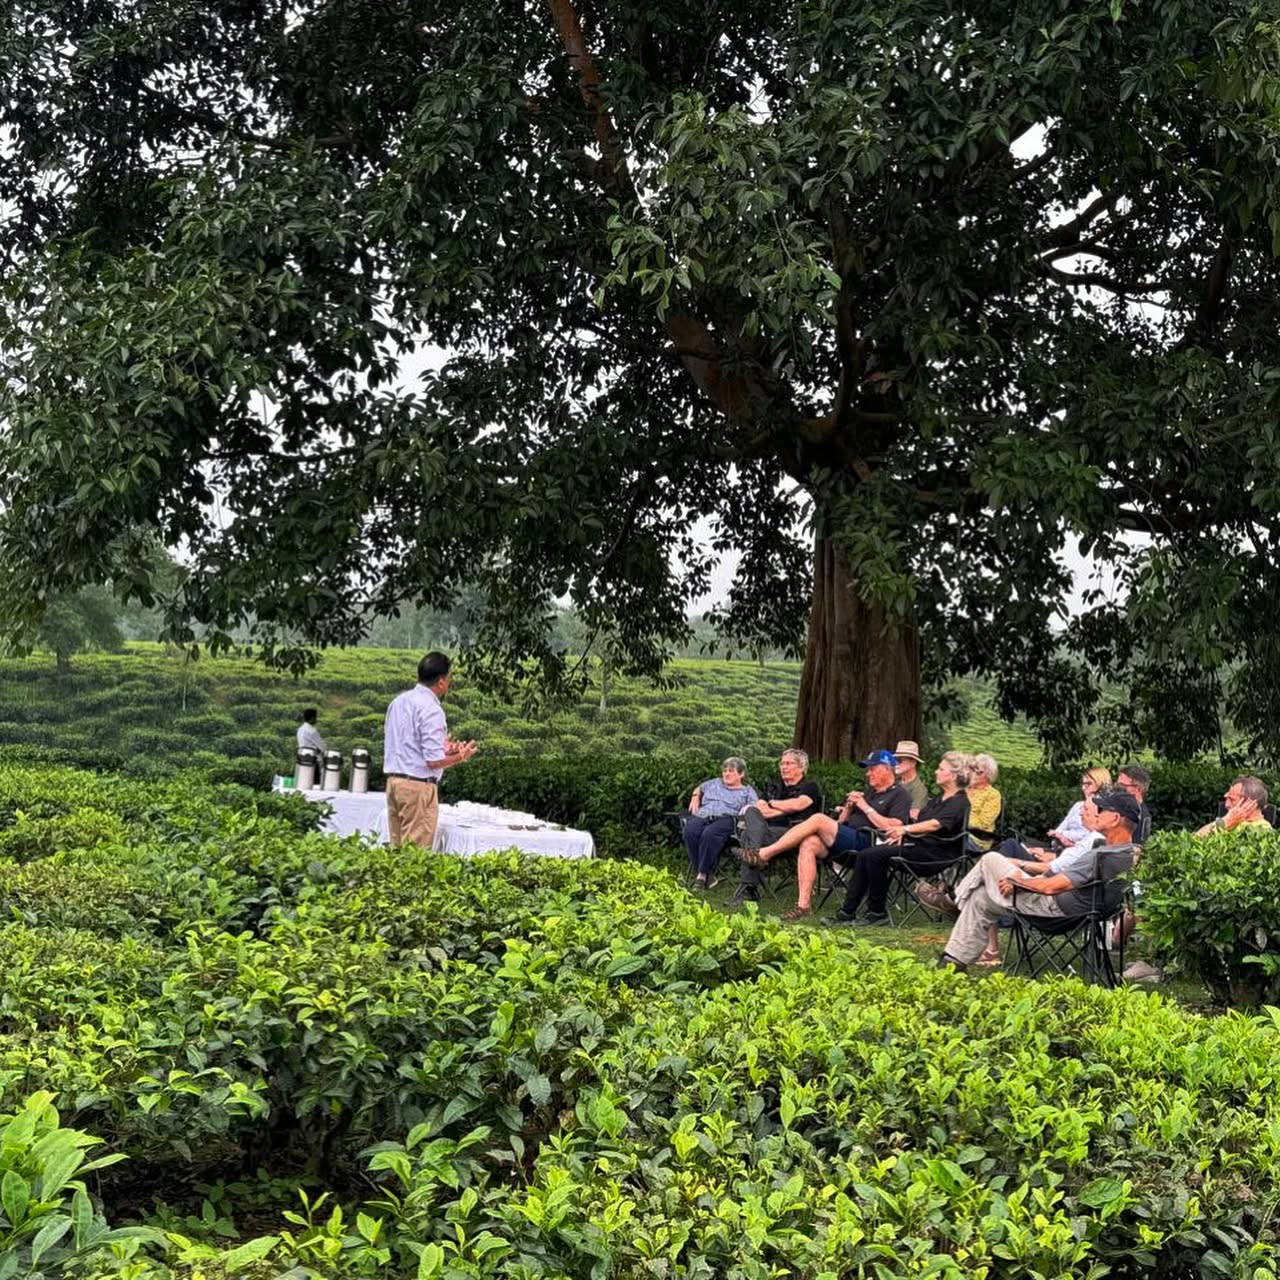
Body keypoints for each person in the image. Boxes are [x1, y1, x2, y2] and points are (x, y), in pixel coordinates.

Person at [930, 786, 1141, 971]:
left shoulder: (1101, 855)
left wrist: (1018, 882)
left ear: (1115, 819)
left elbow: (1050, 887)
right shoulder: (1130, 852)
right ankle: (954, 961)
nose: (1097, 813)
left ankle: (954, 900)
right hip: (1082, 913)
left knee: (991, 858)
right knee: (981, 897)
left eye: (1102, 810)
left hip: (1052, 911)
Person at [737, 750, 911, 920]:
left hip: (871, 844)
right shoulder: (870, 793)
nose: (868, 773)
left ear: (887, 769)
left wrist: (865, 806)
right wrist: (849, 808)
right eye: (868, 769)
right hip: (849, 842)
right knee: (809, 842)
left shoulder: (899, 795)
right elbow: (842, 822)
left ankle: (764, 854)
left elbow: (894, 826)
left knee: (819, 819)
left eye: (872, 769)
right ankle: (803, 906)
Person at [824, 750, 972, 927]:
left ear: (954, 775)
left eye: (941, 769)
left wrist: (904, 829)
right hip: (917, 846)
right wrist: (902, 834)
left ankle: (877, 913)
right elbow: (920, 823)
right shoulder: (938, 800)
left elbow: (934, 825)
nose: (935, 772)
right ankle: (847, 913)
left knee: (874, 855)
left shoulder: (959, 801)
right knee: (867, 854)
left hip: (936, 854)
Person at [383, 651, 477, 848]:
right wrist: (461, 755)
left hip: (395, 783)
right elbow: (433, 761)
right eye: (449, 678)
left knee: (397, 851)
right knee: (415, 855)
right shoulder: (431, 709)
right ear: (441, 682)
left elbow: (409, 744)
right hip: (417, 788)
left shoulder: (398, 702)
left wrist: (447, 749)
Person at [733, 749, 823, 902]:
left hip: (792, 834)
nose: (783, 767)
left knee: (747, 835)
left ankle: (749, 888)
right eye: (782, 763)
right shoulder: (774, 785)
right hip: (766, 831)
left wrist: (773, 804)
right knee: (752, 812)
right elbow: (760, 808)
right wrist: (783, 810)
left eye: (788, 763)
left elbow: (799, 804)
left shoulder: (810, 786)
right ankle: (755, 856)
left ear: (801, 767)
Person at [685, 758, 759, 888]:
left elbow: (754, 809)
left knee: (709, 834)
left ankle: (702, 875)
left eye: (731, 771)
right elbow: (699, 788)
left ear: (741, 774)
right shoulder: (714, 783)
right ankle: (708, 874)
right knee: (689, 830)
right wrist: (695, 797)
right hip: (703, 814)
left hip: (727, 818)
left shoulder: (747, 791)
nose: (726, 774)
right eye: (724, 771)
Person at [1194, 776, 1272, 836]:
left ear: (1249, 803)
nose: (1226, 805)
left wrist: (1226, 823)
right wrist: (1226, 821)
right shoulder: (1233, 820)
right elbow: (1196, 837)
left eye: (1232, 800)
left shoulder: (1261, 829)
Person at [966, 753, 1002, 851]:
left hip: (976, 839)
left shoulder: (993, 795)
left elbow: (982, 824)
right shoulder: (963, 788)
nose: (973, 774)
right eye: (972, 770)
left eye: (979, 772)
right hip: (953, 830)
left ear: (989, 776)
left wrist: (956, 819)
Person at [1116, 764, 1153, 841]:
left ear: (1139, 789)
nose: (1117, 789)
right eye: (1117, 785)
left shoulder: (1143, 817)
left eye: (1122, 786)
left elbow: (1138, 847)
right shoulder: (1117, 807)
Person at [893, 740, 929, 817]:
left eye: (900, 760)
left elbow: (913, 817)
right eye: (894, 760)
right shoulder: (894, 782)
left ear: (913, 762)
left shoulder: (919, 790)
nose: (895, 764)